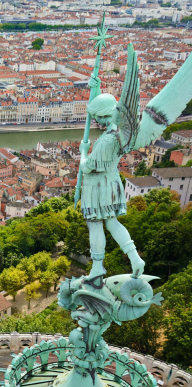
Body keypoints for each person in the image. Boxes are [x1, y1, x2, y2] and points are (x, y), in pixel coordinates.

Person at [79, 75, 144, 280]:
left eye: (97, 116)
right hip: (111, 182)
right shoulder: (117, 133)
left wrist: (83, 151)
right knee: (112, 223)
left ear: (103, 115)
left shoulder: (107, 141)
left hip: (97, 186)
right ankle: (134, 258)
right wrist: (96, 89)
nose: (95, 120)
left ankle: (98, 267)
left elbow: (87, 167)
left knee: (95, 224)